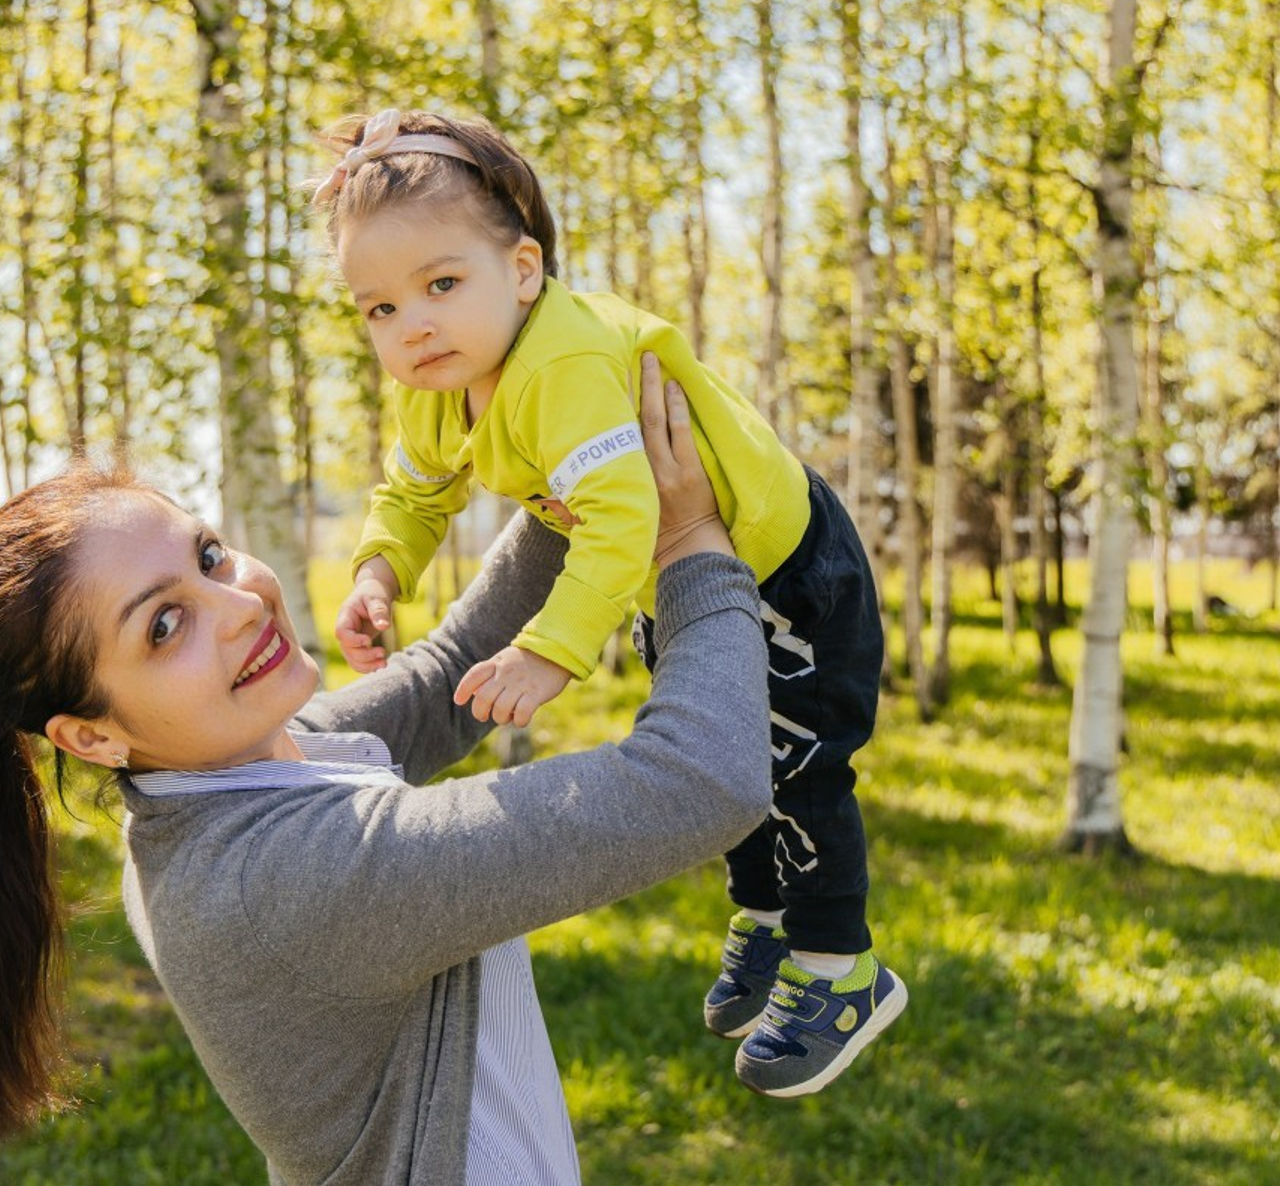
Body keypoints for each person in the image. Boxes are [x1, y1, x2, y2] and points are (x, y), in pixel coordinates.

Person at [0, 360, 772, 1183]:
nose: (244, 604)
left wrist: (583, 461)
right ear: (89, 737)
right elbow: (700, 780)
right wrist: (691, 545)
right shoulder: (279, 879)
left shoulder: (250, 763)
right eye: (163, 626)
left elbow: (450, 678)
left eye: (211, 555)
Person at [318, 107, 907, 1097]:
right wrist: (379, 572)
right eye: (376, 308)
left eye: (440, 283)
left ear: (523, 269)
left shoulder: (564, 363)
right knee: (733, 750)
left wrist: (550, 650)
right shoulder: (442, 376)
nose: (411, 323)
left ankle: (840, 963)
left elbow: (623, 512)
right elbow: (416, 490)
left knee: (798, 764)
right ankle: (764, 916)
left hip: (786, 565)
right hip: (677, 575)